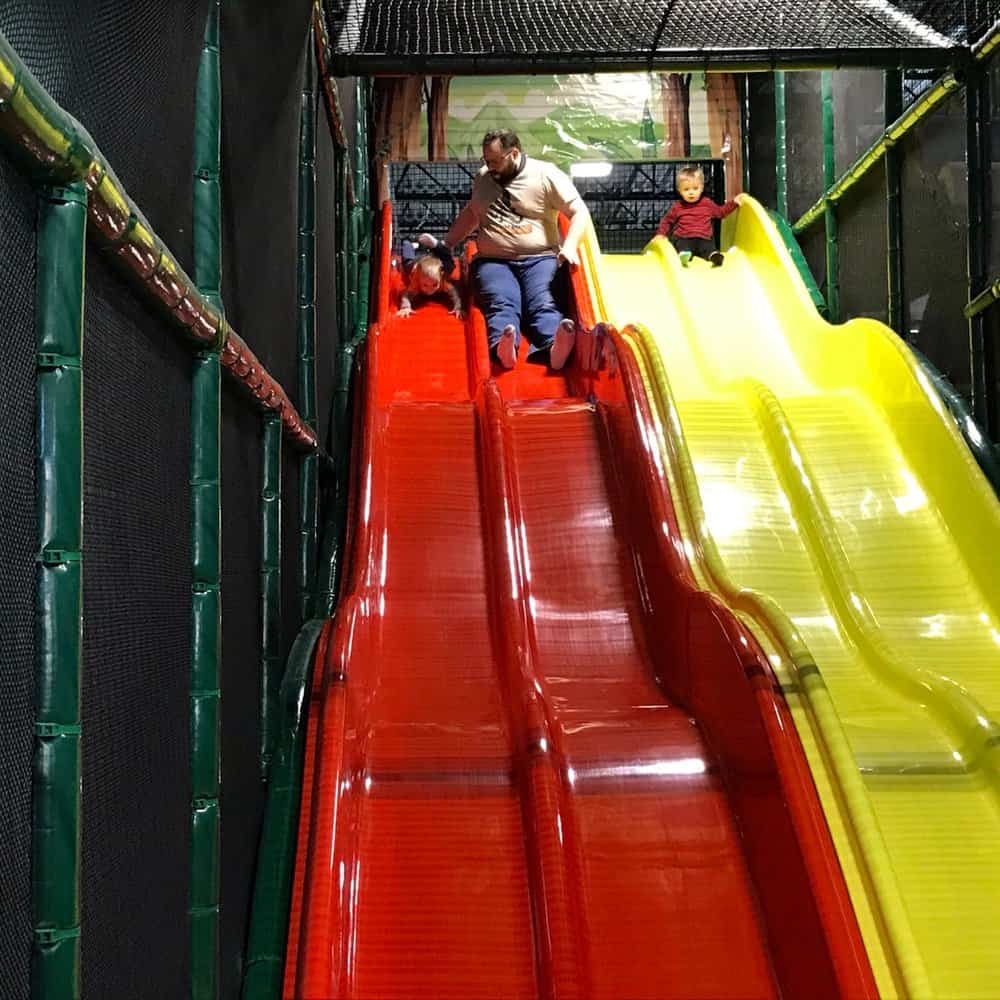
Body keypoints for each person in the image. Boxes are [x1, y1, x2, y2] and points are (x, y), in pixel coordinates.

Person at [442, 129, 591, 370]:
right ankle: (504, 347)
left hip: (540, 257)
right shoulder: (483, 177)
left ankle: (554, 347)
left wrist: (570, 245)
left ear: (513, 154)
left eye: (494, 161)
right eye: (486, 160)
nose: (489, 166)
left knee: (542, 301)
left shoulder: (545, 174)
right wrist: (447, 243)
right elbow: (472, 214)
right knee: (502, 301)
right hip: (494, 260)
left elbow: (579, 211)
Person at [656, 165, 741, 267]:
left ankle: (714, 256)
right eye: (686, 189)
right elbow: (667, 221)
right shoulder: (678, 206)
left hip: (703, 237)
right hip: (684, 237)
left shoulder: (707, 203)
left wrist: (734, 203)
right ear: (679, 190)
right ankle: (683, 256)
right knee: (682, 245)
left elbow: (720, 212)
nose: (691, 192)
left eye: (695, 188)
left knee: (707, 248)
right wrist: (661, 234)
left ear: (701, 188)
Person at [398, 233, 463, 319]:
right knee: (407, 264)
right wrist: (406, 307)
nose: (429, 289)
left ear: (440, 278)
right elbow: (406, 295)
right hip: (417, 263)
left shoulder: (443, 281)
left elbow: (455, 295)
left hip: (435, 261)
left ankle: (437, 246)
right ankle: (408, 244)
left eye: (435, 285)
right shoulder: (416, 281)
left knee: (449, 266)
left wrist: (458, 308)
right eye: (425, 285)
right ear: (419, 280)